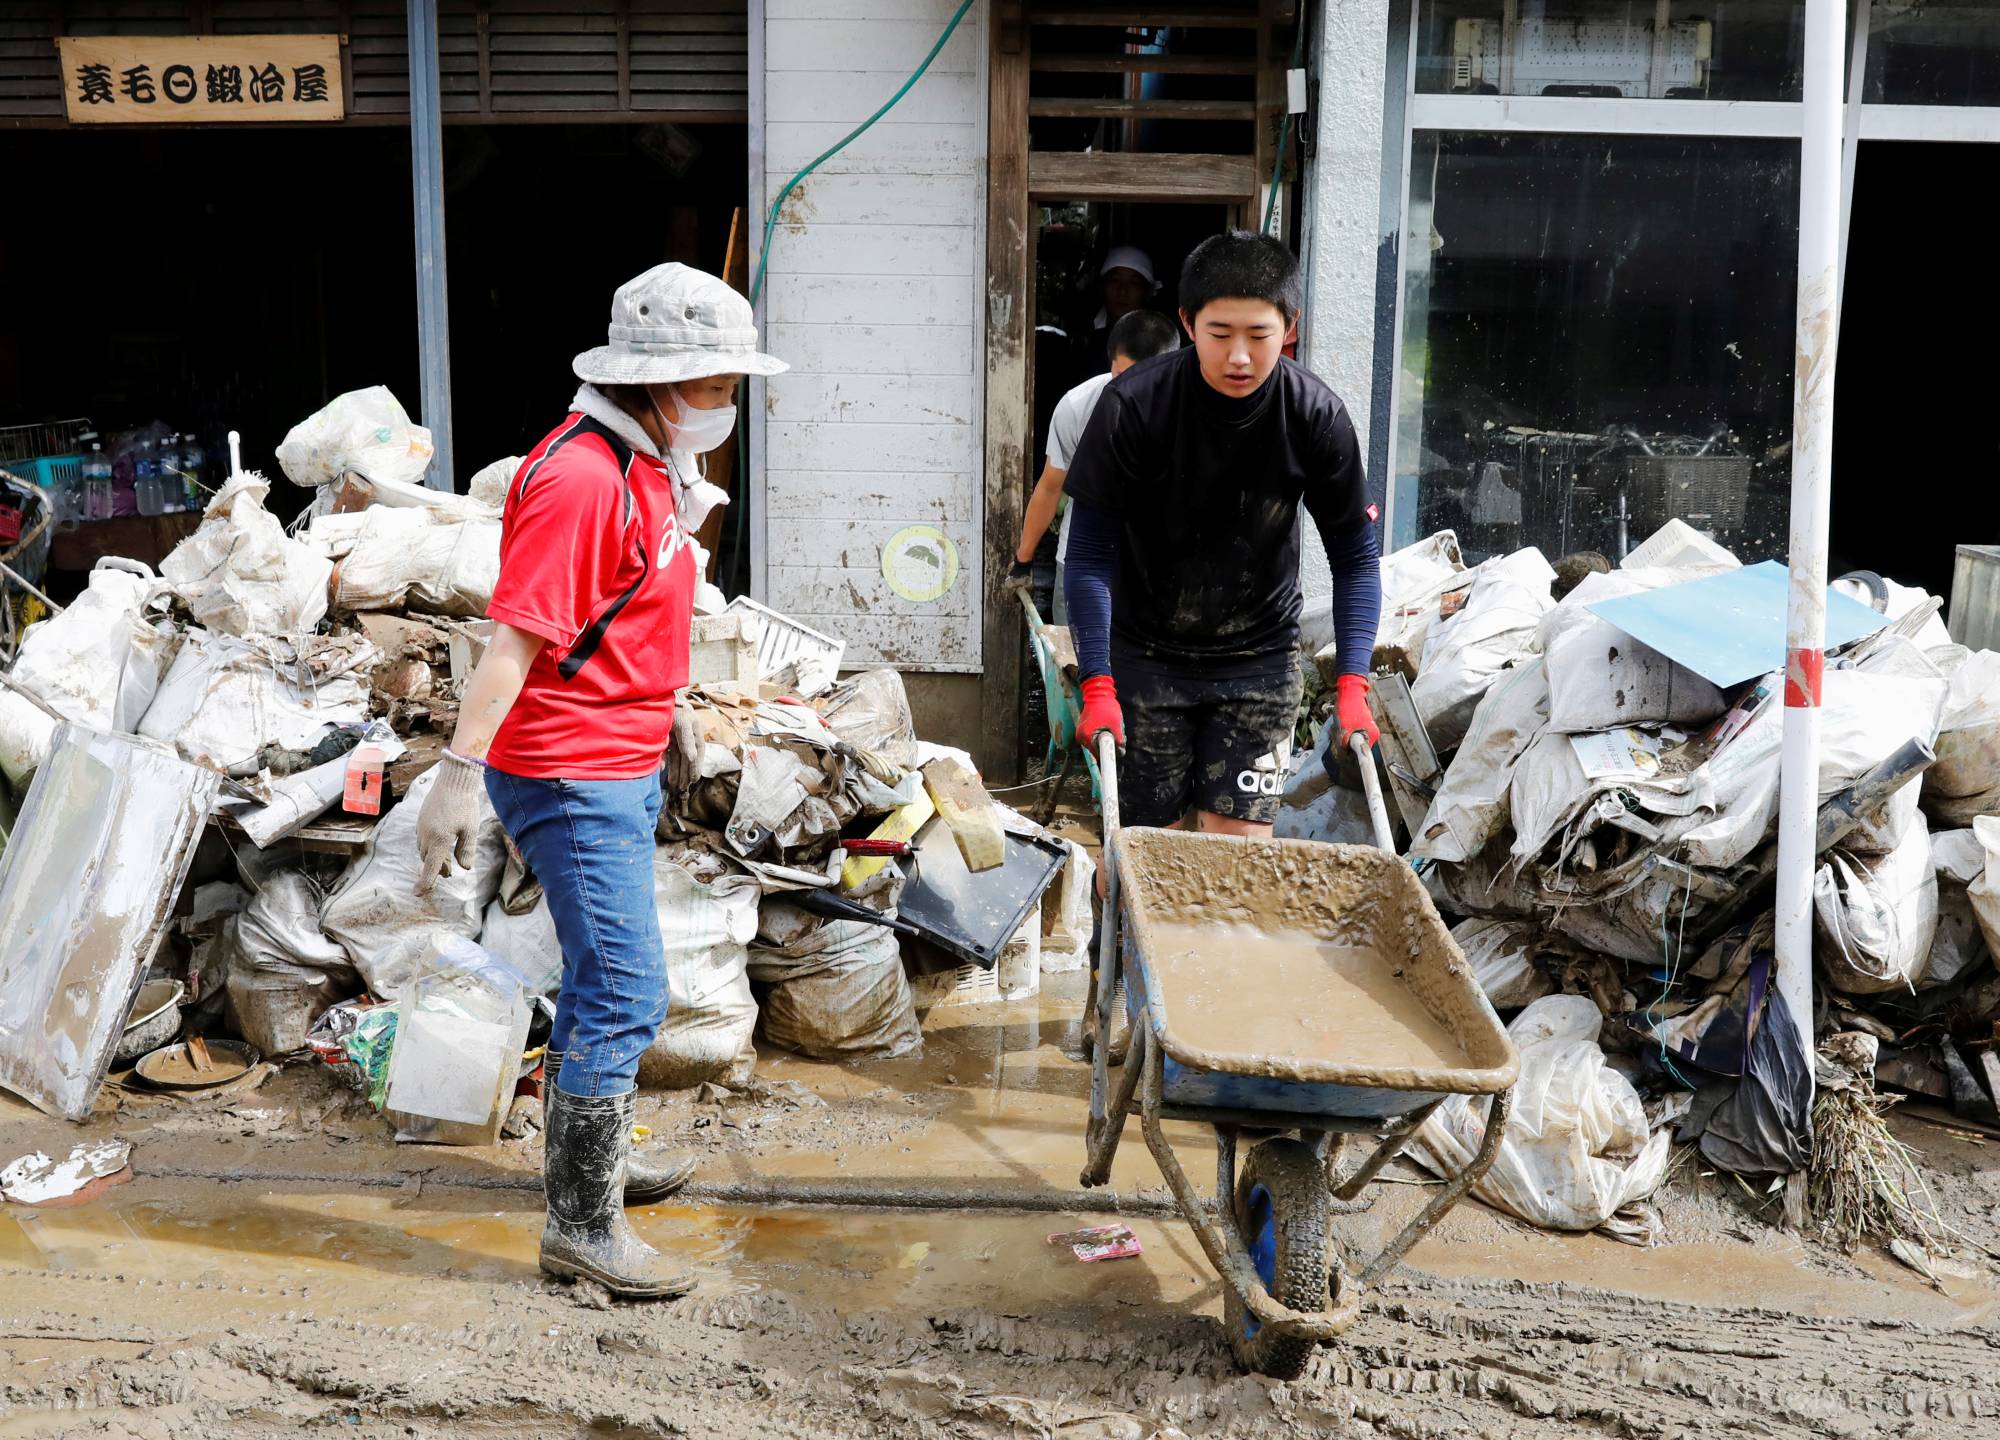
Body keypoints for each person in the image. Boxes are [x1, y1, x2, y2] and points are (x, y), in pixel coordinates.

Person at [412, 263, 785, 1301]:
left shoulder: (644, 458)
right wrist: (454, 775)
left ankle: (597, 1165)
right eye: (711, 384)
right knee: (627, 991)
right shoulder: (581, 477)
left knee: (598, 978)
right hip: (570, 769)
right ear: (653, 381)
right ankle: (581, 1224)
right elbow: (513, 643)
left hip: (614, 755)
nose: (724, 403)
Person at [1061, 230, 1383, 839]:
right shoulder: (1133, 407)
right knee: (1140, 855)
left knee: (1236, 861)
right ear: (1186, 322)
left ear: (1289, 325)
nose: (1240, 356)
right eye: (1220, 334)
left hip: (1257, 659)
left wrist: (1353, 683)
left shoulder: (1315, 417)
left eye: (1259, 336)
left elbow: (1356, 560)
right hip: (1145, 654)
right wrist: (1098, 681)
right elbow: (1090, 555)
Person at [1009, 310, 1183, 623]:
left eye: (1145, 381)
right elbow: (1050, 487)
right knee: (1079, 666)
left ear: (1172, 370)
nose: (1130, 392)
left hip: (1161, 569)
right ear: (1109, 361)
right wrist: (1024, 559)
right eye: (1121, 378)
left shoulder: (1196, 412)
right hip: (1083, 565)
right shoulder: (1078, 407)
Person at [1078, 244, 1160, 377]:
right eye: (1114, 280)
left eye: (1134, 282)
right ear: (1102, 287)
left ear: (1148, 292)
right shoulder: (1085, 345)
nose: (1122, 291)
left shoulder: (1161, 346)